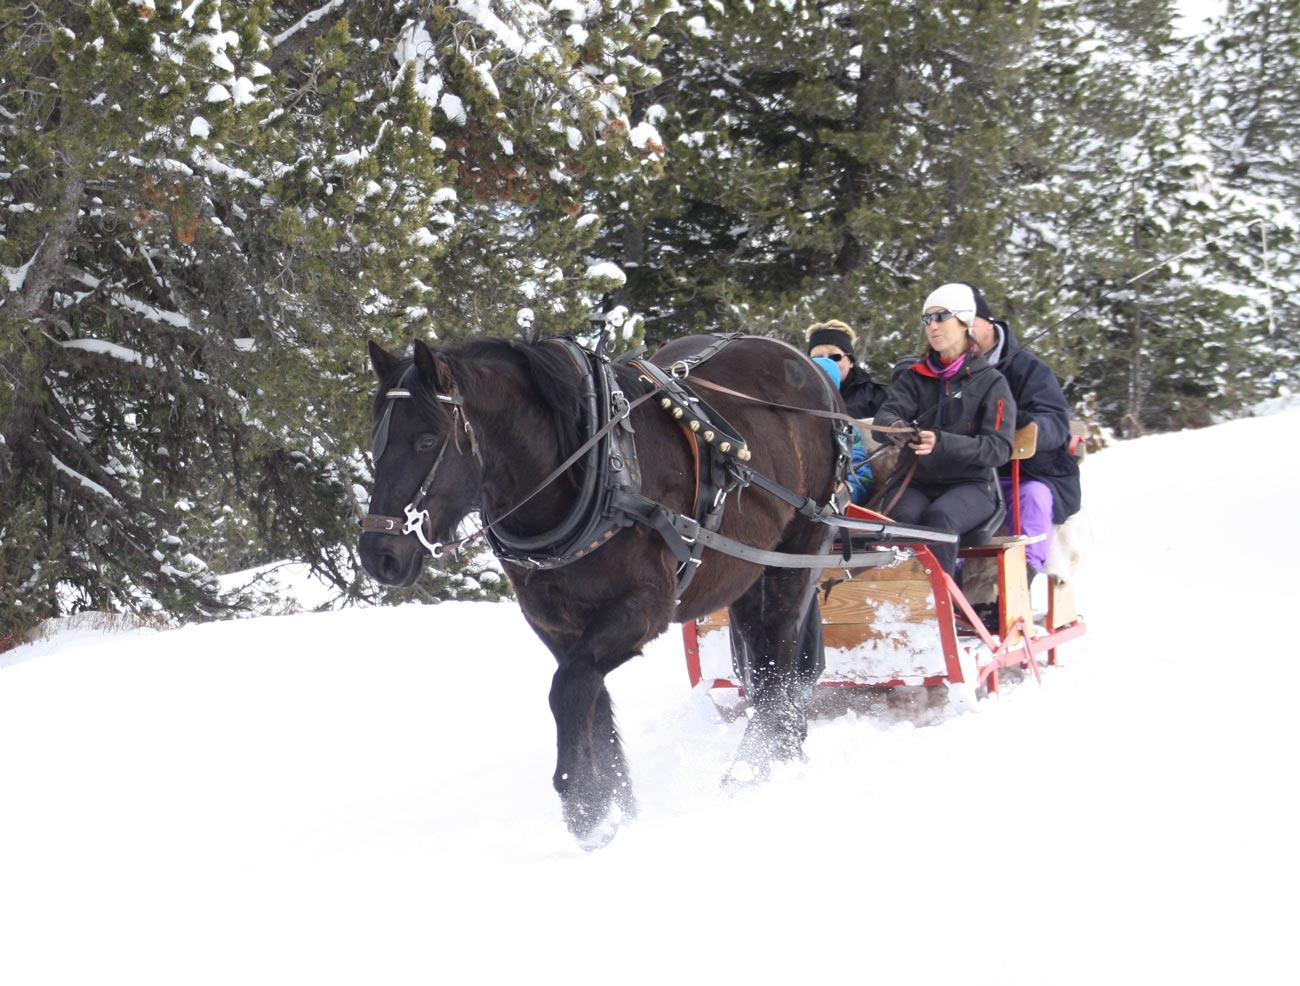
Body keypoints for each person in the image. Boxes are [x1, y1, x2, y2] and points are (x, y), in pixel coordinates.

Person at [871, 283, 1015, 577]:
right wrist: (894, 428)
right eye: (926, 319)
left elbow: (998, 448)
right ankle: (894, 606)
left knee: (940, 519)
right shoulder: (914, 377)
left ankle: (936, 610)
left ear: (964, 322)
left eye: (940, 317)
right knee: (902, 518)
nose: (932, 326)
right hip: (915, 482)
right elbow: (887, 414)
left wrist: (943, 443)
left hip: (971, 486)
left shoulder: (991, 381)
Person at [960, 282, 1082, 582]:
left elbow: (1056, 423)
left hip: (1028, 472)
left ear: (987, 321)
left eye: (968, 324)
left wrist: (1025, 424)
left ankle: (1022, 577)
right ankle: (952, 579)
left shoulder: (1029, 369)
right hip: (969, 474)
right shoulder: (949, 371)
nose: (965, 335)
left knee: (1034, 497)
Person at [805, 320, 888, 418]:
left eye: (835, 357)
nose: (826, 364)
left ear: (851, 362)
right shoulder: (798, 392)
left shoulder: (872, 395)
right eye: (818, 358)